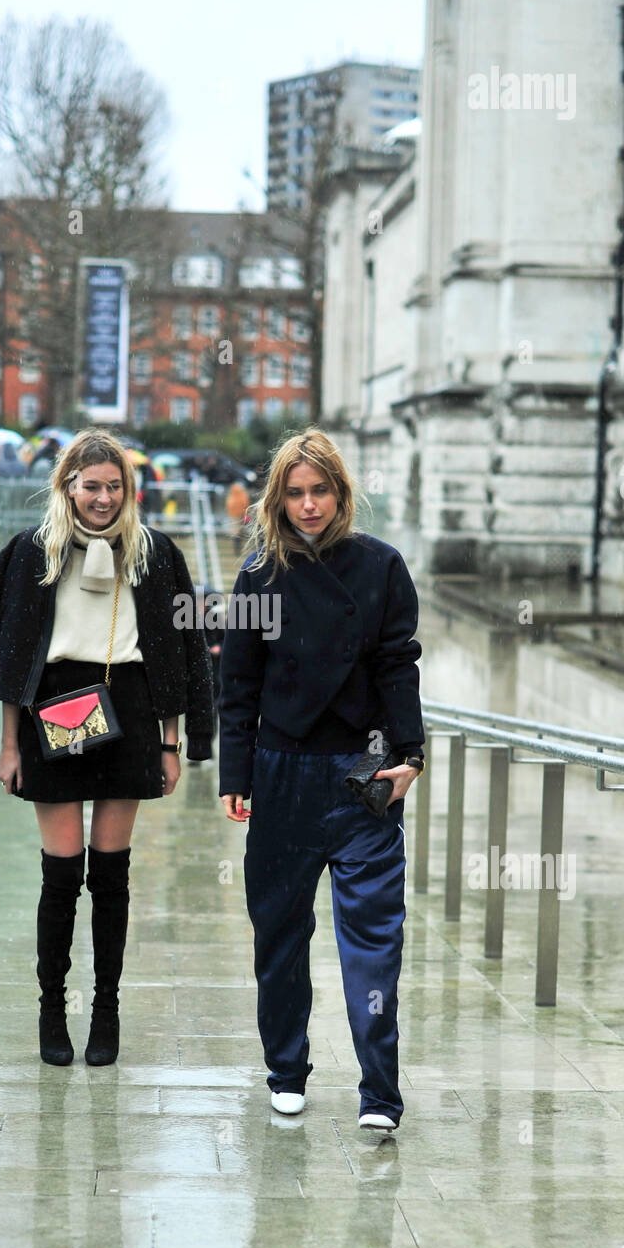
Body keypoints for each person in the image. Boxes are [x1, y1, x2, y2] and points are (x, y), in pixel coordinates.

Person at [0, 429, 214, 1069]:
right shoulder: (29, 553)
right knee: (60, 876)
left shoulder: (154, 555)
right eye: (90, 485)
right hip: (54, 712)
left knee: (112, 877)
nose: (102, 498)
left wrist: (175, 741)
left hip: (128, 709)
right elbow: (6, 652)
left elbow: (183, 655)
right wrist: (4, 744)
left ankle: (106, 1009)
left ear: (129, 489)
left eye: (114, 486)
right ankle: (51, 1010)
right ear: (66, 485)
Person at [218, 428, 425, 1132]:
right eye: (295, 493)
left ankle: (379, 1093)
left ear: (340, 493)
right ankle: (285, 1069)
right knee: (277, 931)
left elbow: (399, 663)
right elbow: (236, 686)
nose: (308, 505)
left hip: (365, 767)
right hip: (280, 770)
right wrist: (233, 773)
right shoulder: (256, 575)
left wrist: (412, 755)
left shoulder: (381, 566)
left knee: (374, 936)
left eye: (320, 491)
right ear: (278, 498)